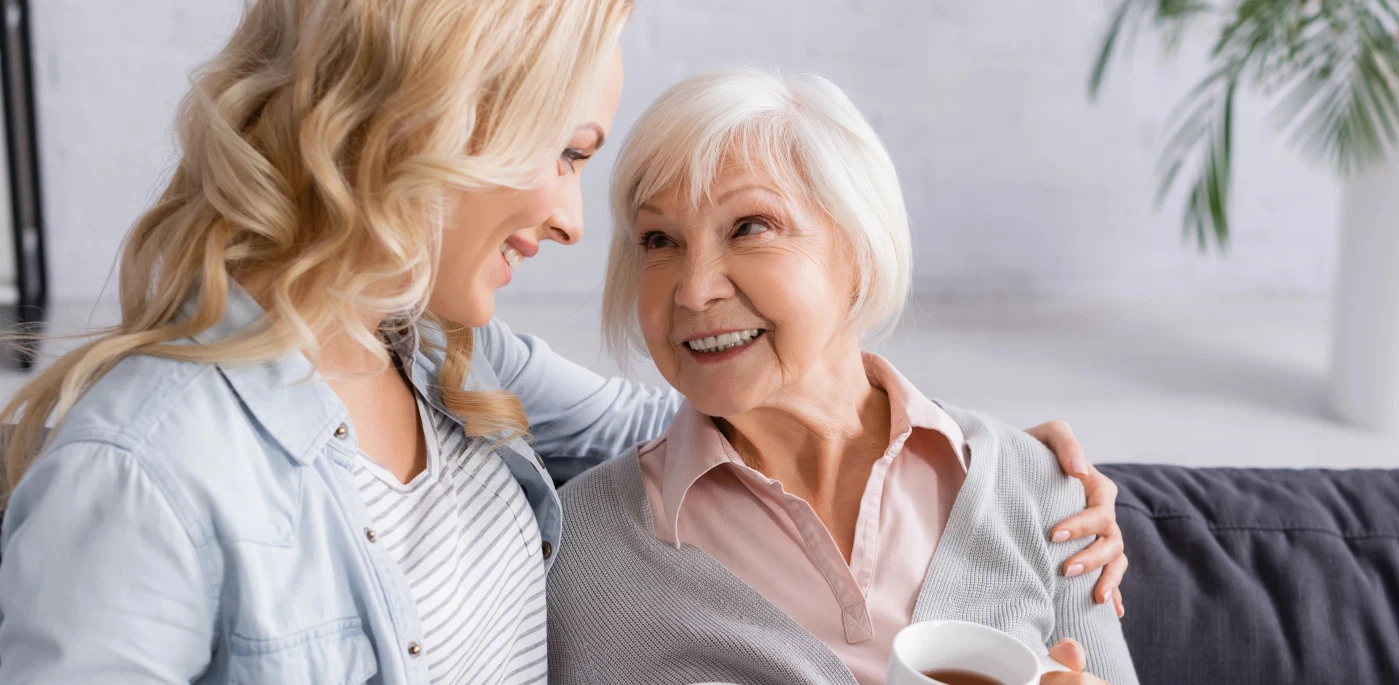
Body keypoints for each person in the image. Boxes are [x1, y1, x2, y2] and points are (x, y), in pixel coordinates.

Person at [0, 2, 1126, 684]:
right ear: (436, 118)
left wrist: (1003, 467)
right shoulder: (141, 471)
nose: (575, 222)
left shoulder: (441, 360)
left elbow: (713, 422)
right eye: (571, 153)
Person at [547, 68, 1139, 685]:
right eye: (659, 240)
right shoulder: (586, 550)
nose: (693, 291)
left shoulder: (1041, 488)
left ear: (857, 245)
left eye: (750, 227)